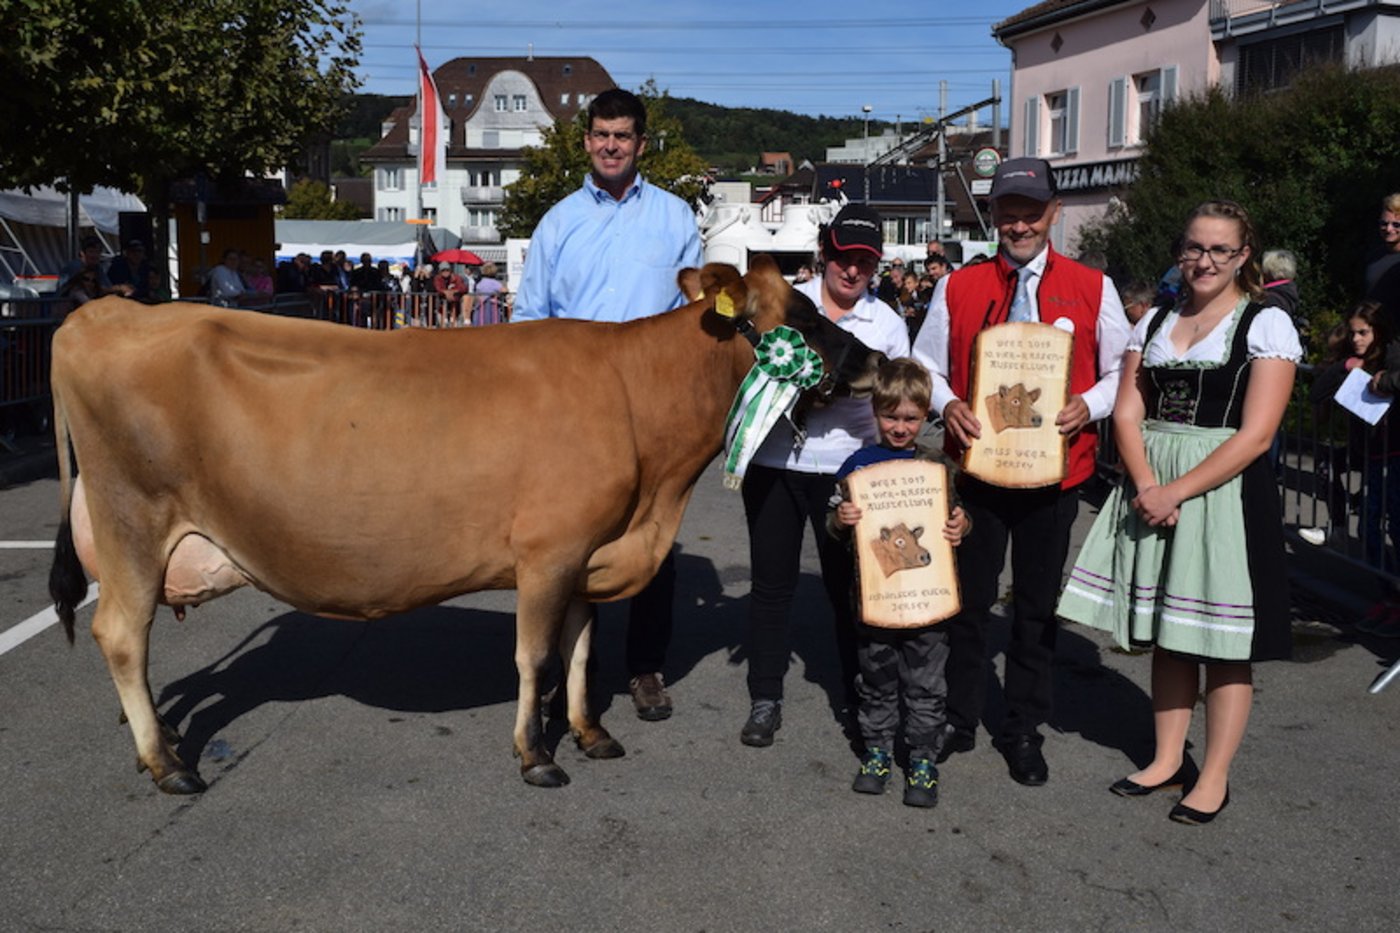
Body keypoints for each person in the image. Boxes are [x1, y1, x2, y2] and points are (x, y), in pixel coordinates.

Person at [1057, 199, 1301, 825]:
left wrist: (1176, 490)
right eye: (1194, 247)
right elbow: (1129, 409)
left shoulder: (1264, 324)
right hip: (1151, 480)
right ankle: (1167, 759)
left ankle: (1213, 776)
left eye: (1220, 249)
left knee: (1222, 643)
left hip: (1222, 488)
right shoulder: (1158, 318)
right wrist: (1144, 481)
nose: (1204, 261)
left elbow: (1256, 435)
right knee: (1170, 631)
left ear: (1244, 254)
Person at [910, 157, 1131, 786]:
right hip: (979, 471)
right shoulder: (959, 285)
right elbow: (923, 364)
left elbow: (1122, 371)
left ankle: (1024, 729)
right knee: (970, 604)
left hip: (1056, 477)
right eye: (1009, 212)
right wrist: (947, 403)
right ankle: (959, 715)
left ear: (1053, 213)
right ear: (995, 214)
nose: (1019, 224)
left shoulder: (1094, 286)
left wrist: (1088, 405)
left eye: (1031, 212)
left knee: (1035, 609)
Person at [513, 87, 702, 721]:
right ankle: (569, 671)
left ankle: (645, 667)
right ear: (587, 141)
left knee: (655, 539)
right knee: (569, 546)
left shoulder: (676, 218)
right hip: (571, 413)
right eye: (601, 135)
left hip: (651, 410)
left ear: (641, 143)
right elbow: (529, 322)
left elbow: (693, 322)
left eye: (622, 135)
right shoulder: (559, 221)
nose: (611, 145)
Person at [738, 202, 910, 747]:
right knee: (771, 587)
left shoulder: (886, 322)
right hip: (776, 462)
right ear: (824, 253)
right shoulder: (788, 305)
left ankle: (860, 698)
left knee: (848, 589)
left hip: (846, 469)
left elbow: (897, 402)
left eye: (863, 260)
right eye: (842, 256)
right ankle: (765, 698)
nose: (852, 270)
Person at [828, 358, 969, 808]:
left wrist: (961, 526)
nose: (900, 427)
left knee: (927, 684)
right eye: (891, 416)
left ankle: (923, 759)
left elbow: (960, 519)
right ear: (875, 411)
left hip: (929, 603)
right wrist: (840, 518)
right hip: (875, 602)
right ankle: (877, 753)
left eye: (911, 418)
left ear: (925, 413)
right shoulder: (856, 466)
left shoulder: (938, 466)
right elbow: (833, 524)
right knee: (876, 680)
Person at [1366, 193, 1400, 327]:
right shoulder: (1374, 257)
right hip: (1376, 336)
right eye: (1384, 223)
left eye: (1396, 225)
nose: (1389, 229)